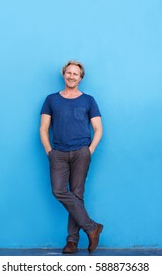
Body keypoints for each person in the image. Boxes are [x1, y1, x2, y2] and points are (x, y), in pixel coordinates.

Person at [40, 60, 103, 253]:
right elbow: (43, 128)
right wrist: (49, 152)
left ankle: (72, 242)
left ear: (81, 77)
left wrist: (89, 150)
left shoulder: (88, 100)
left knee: (77, 194)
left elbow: (98, 128)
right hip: (58, 152)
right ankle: (92, 227)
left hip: (81, 152)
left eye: (75, 74)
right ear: (63, 75)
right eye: (69, 73)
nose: (71, 76)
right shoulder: (51, 99)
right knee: (59, 190)